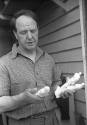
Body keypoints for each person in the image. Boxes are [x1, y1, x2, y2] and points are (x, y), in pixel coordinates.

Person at [0, 9, 84, 125]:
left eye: (33, 31)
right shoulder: (4, 63)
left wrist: (61, 91)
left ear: (38, 30)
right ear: (15, 34)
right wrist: (22, 99)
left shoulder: (49, 59)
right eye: (24, 32)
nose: (30, 36)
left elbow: (55, 84)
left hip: (53, 119)